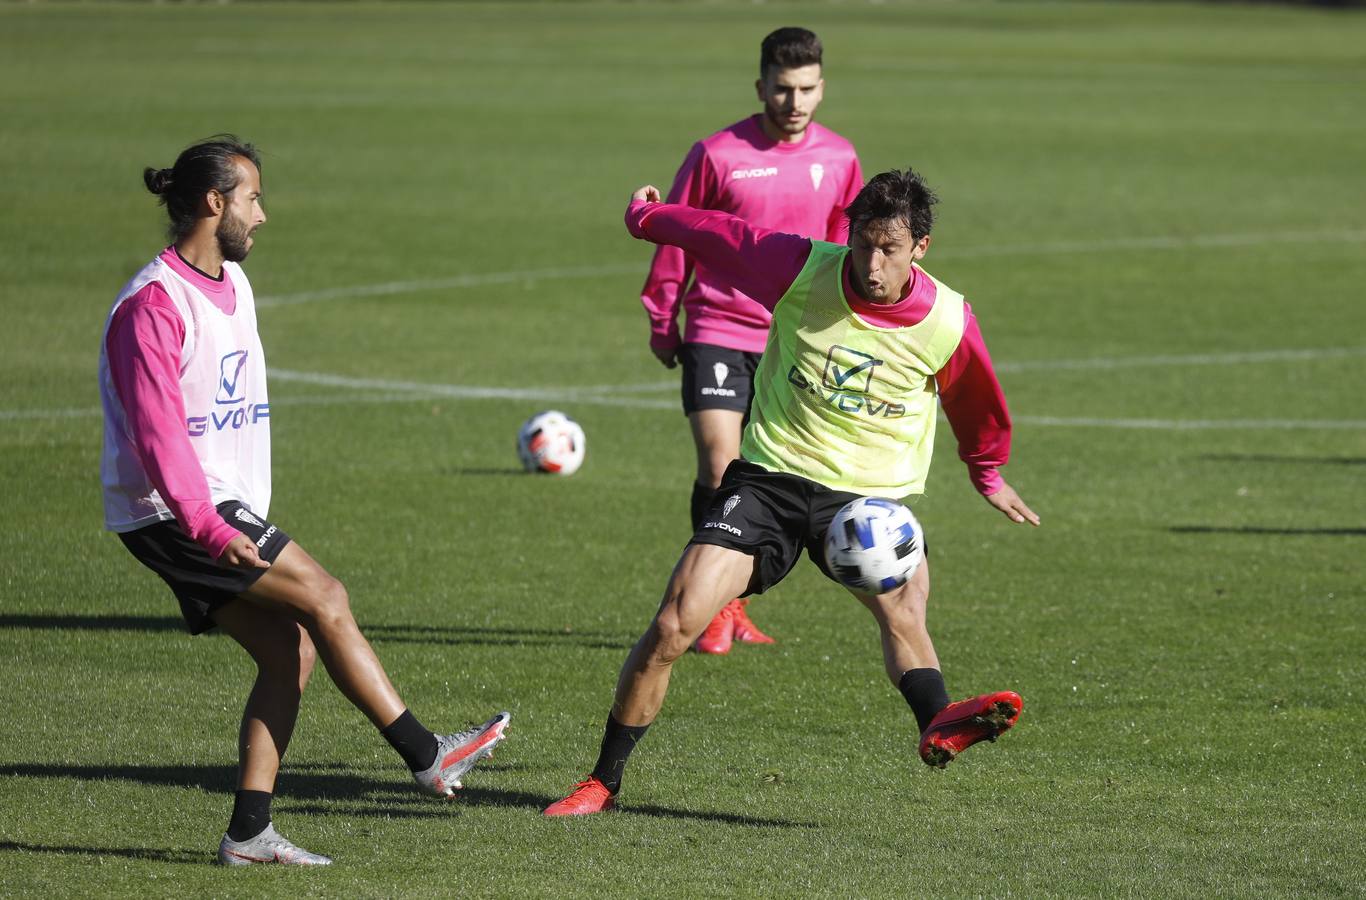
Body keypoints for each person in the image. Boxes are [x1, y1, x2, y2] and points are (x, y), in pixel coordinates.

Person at [545, 170, 1040, 816]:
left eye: (889, 248)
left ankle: (937, 719)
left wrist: (987, 473)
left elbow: (978, 404)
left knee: (904, 615)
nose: (871, 262)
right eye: (863, 242)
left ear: (921, 248)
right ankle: (602, 783)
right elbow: (723, 237)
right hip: (769, 483)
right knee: (673, 623)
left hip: (869, 505)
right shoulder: (805, 268)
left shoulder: (947, 320)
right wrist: (650, 220)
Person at [99, 136, 510, 865]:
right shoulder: (153, 308)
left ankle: (249, 832)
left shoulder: (232, 282)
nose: (263, 215)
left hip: (211, 504)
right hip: (177, 510)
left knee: (289, 653)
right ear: (213, 202)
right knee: (325, 596)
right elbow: (158, 435)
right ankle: (426, 753)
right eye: (252, 198)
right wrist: (206, 523)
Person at [640, 26, 863, 654]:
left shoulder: (841, 159)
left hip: (793, 339)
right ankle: (713, 608)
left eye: (808, 89)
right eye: (784, 89)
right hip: (716, 326)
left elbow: (847, 252)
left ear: (822, 87)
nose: (795, 102)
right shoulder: (716, 153)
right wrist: (663, 317)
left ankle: (727, 599)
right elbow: (674, 231)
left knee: (765, 471)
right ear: (761, 85)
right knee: (719, 463)